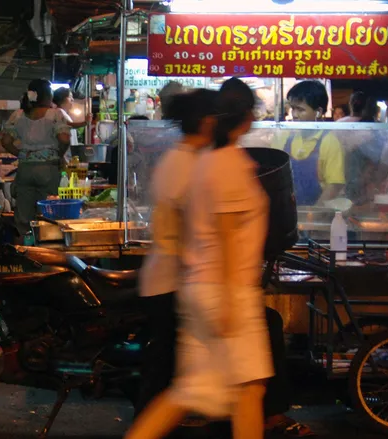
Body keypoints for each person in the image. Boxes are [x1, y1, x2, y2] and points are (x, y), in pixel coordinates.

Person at [126, 77, 272, 439]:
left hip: (201, 286)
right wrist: (226, 299)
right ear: (247, 116)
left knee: (193, 391)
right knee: (249, 390)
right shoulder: (227, 165)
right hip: (225, 289)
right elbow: (222, 238)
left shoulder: (206, 160)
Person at [137, 89, 218, 414]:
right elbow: (190, 230)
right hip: (171, 281)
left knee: (166, 370)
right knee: (164, 371)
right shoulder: (187, 163)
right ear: (208, 122)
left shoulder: (185, 157)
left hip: (171, 277)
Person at [0, 79, 72, 235]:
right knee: (47, 215)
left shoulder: (18, 115)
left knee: (23, 219)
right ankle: (44, 249)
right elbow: (64, 139)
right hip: (48, 169)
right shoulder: (55, 115)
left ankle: (24, 250)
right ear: (48, 96)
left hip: (25, 170)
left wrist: (20, 153)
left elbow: (5, 141)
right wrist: (59, 153)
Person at [271, 81, 345, 206]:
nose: (294, 114)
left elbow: (334, 185)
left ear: (318, 112)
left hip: (315, 214)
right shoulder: (284, 136)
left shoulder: (330, 142)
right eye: (293, 108)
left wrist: (313, 214)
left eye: (300, 109)